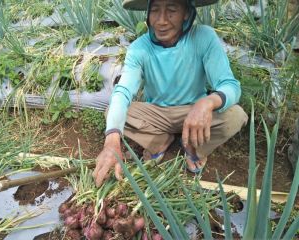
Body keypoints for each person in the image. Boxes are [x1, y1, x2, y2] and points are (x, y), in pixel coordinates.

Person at [92, 0, 248, 187]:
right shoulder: (140, 48)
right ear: (148, 14)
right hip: (157, 112)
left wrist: (207, 103)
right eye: (155, 11)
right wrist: (111, 143)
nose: (161, 21)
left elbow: (229, 85)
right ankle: (159, 141)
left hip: (192, 112)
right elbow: (123, 91)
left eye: (172, 10)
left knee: (235, 116)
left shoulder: (203, 37)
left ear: (187, 13)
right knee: (113, 112)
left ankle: (194, 147)